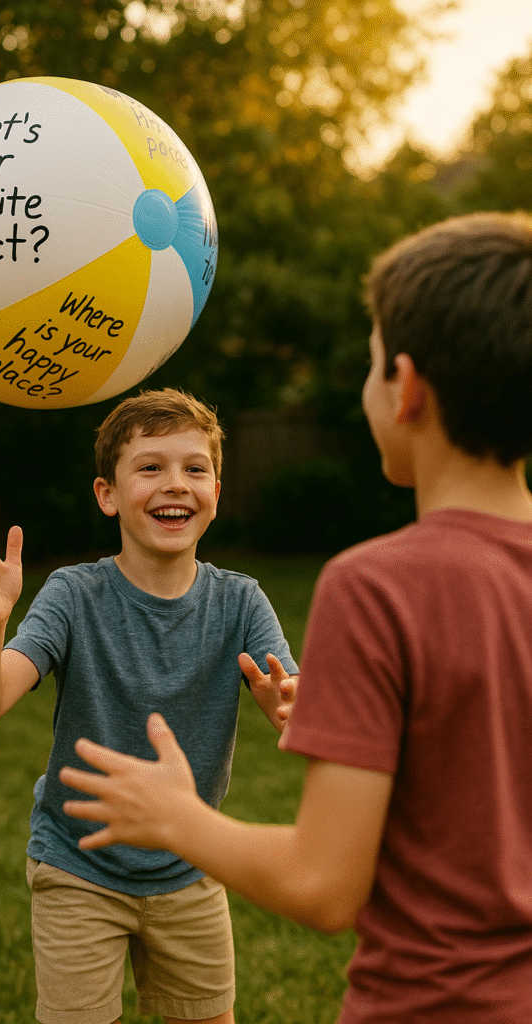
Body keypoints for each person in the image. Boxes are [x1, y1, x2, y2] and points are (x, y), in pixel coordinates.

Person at [59, 212, 532, 1023]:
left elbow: (322, 885)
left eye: (370, 363)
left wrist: (177, 818)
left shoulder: (376, 586)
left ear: (405, 387)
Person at [0, 387, 299, 1024]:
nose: (176, 483)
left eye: (195, 468)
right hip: (77, 867)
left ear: (216, 491)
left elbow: (291, 700)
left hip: (190, 861)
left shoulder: (241, 602)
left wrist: (289, 705)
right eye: (150, 467)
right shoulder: (73, 595)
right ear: (107, 494)